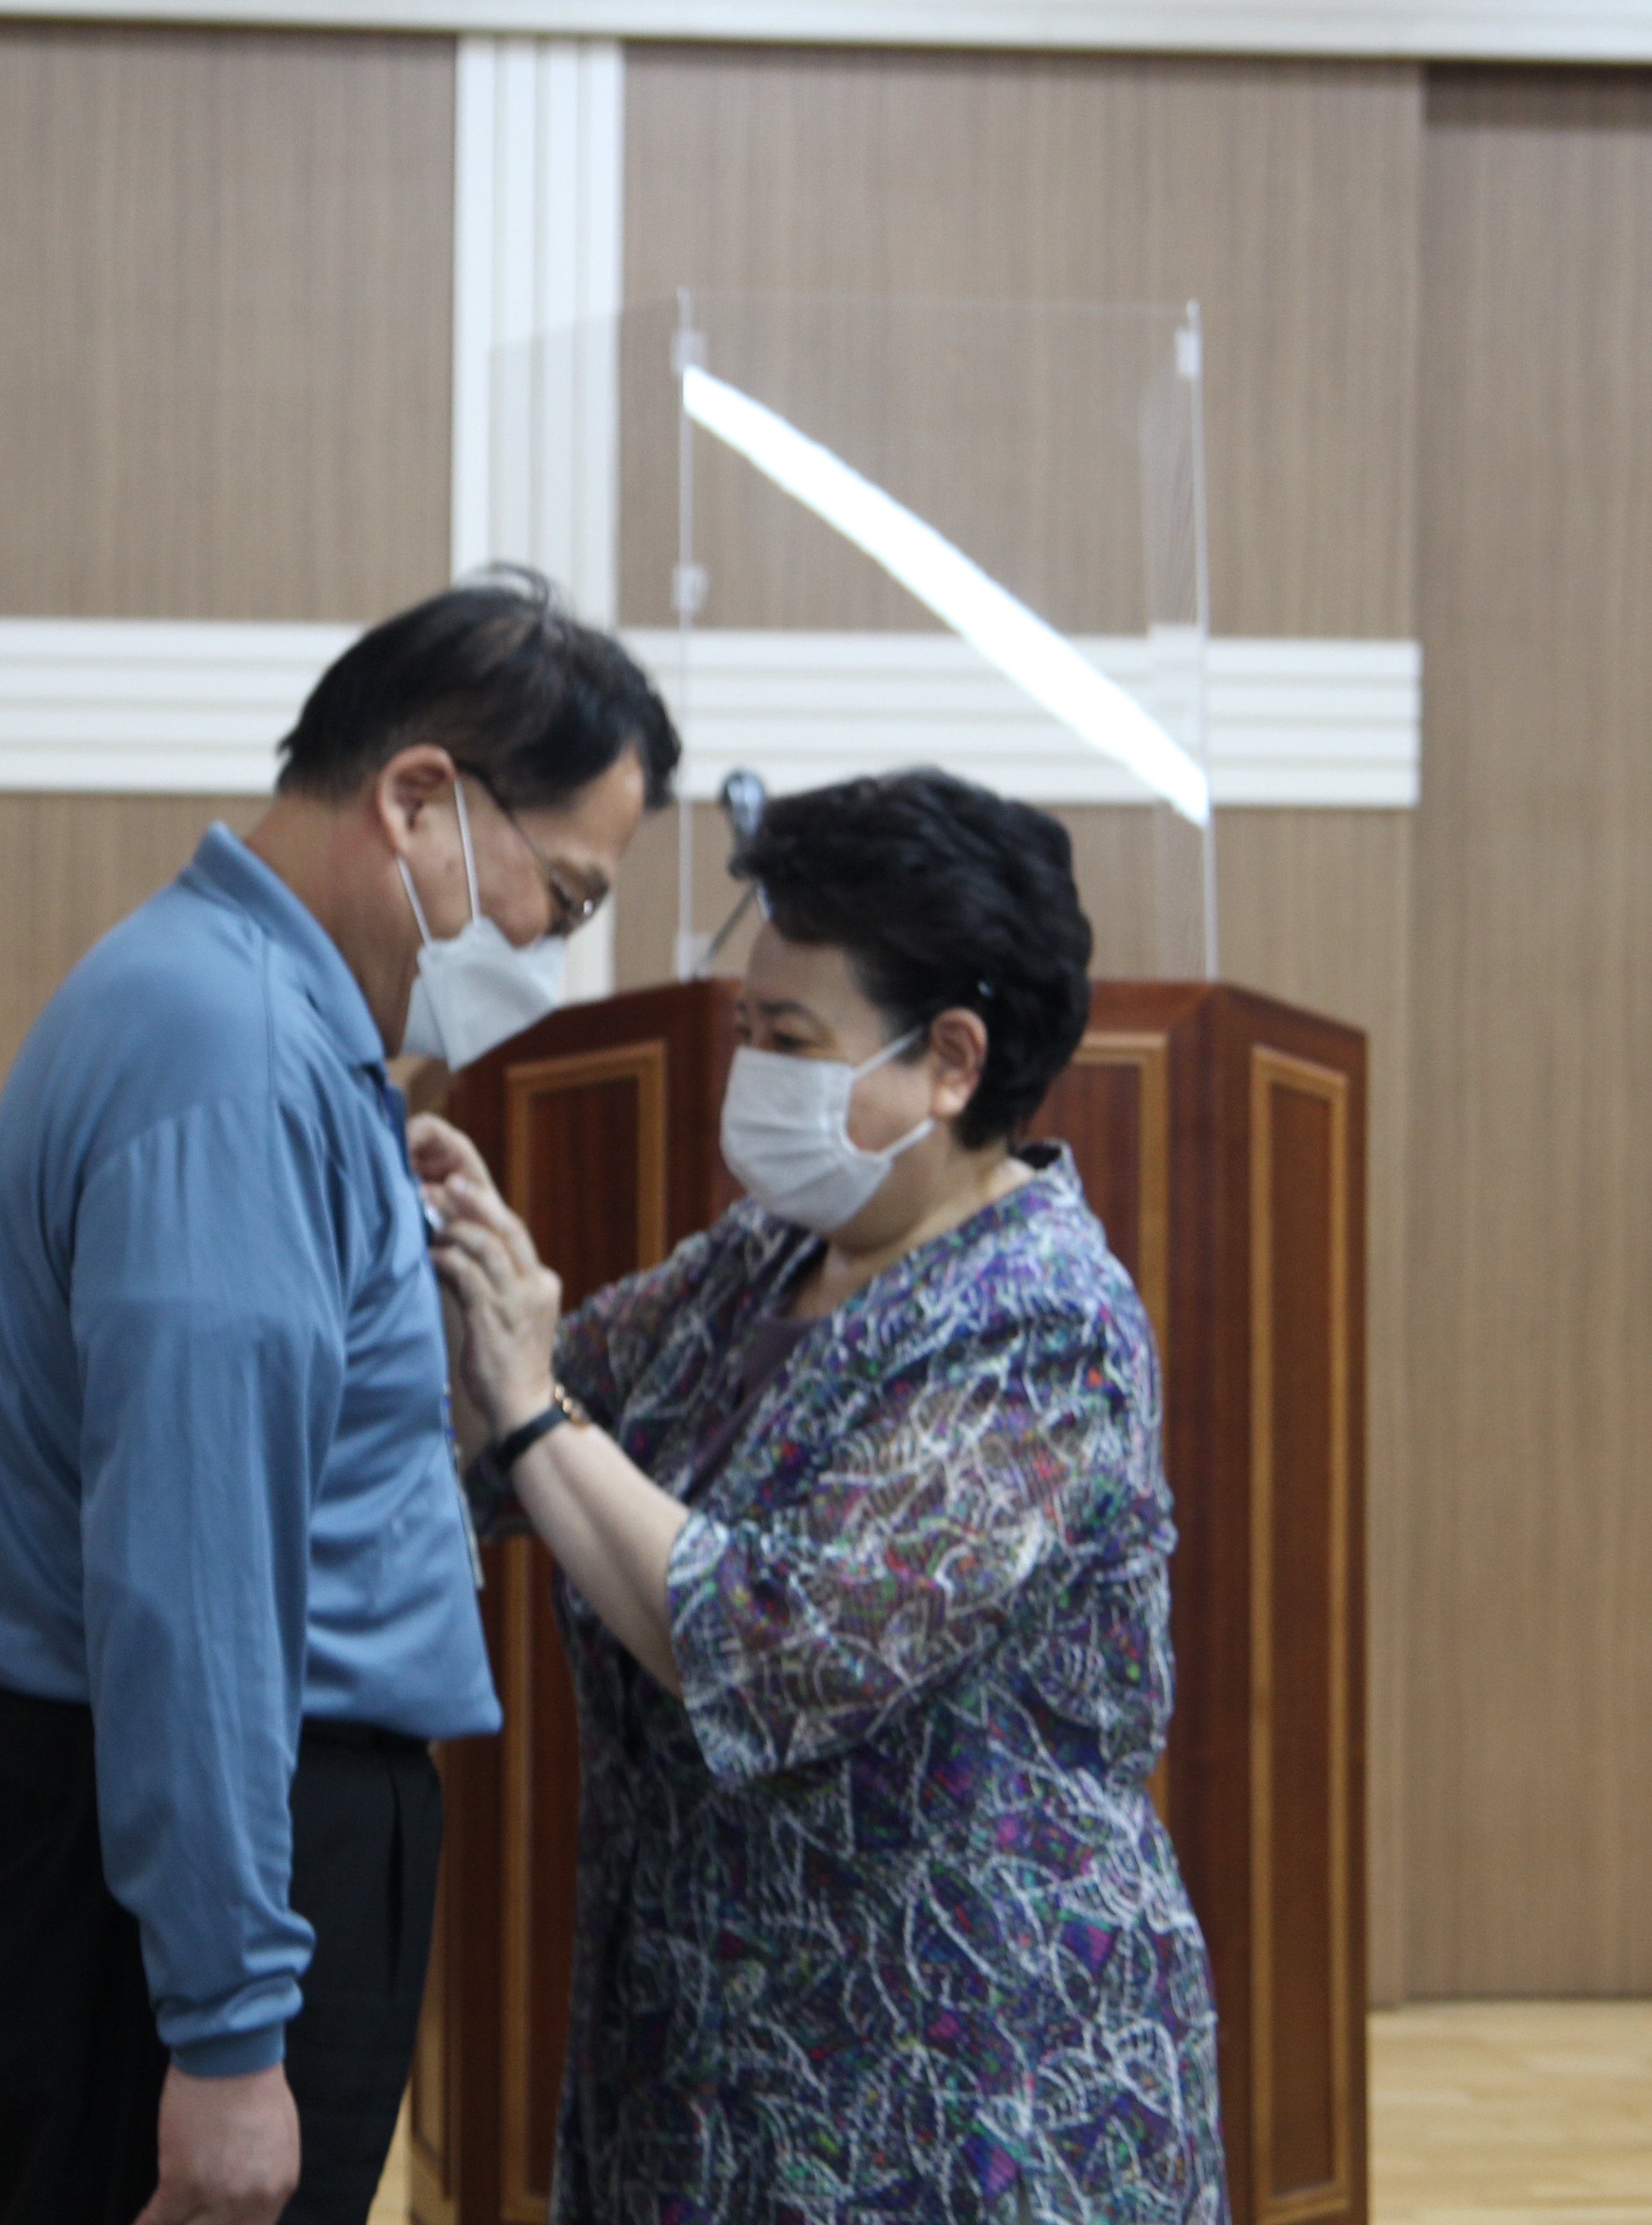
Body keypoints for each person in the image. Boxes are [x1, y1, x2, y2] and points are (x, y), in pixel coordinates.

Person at [0, 570, 680, 2225]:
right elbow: (198, 1586)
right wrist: (230, 2034)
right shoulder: (235, 1059)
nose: (551, 953)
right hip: (177, 1861)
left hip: (196, 1830)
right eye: (564, 898)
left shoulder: (269, 1032)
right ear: (419, 800)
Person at [415, 766, 1227, 2224]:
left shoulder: (1041, 1325)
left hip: (966, 2088)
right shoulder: (770, 1255)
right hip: (707, 2064)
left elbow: (776, 1644)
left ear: (953, 1060)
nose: (752, 1073)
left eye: (791, 1041)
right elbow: (532, 1425)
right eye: (748, 1031)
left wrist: (532, 1408)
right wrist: (472, 1283)